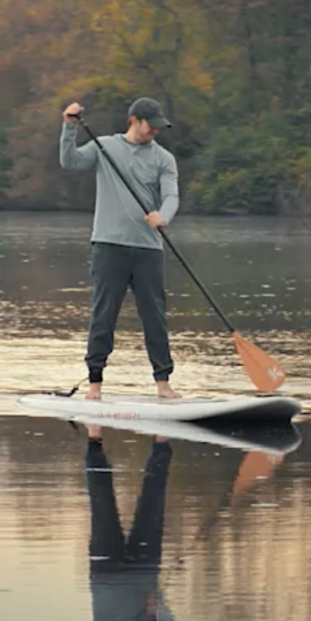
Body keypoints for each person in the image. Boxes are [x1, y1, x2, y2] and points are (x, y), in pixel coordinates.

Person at [60, 97, 181, 402]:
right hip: (109, 246)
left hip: (147, 249)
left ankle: (163, 383)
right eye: (150, 125)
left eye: (158, 127)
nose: (155, 131)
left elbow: (171, 196)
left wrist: (162, 216)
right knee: (103, 315)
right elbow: (70, 161)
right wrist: (68, 127)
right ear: (134, 121)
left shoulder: (164, 159)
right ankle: (95, 384)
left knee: (155, 316)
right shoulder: (105, 147)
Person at [80, 428, 173, 621]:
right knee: (152, 503)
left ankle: (94, 436)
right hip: (141, 574)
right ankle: (161, 438)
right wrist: (157, 602)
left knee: (101, 501)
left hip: (107, 573)